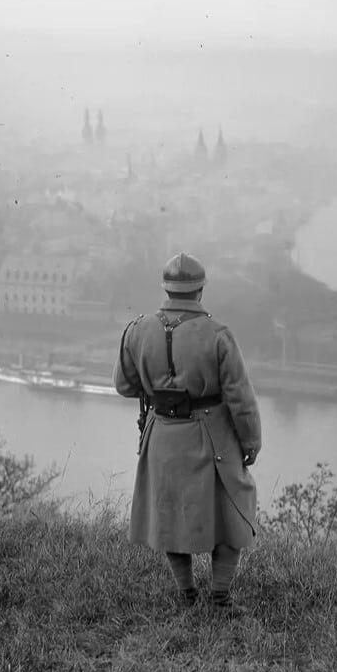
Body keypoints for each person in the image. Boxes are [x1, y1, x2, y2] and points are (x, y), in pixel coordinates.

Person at [114, 252, 261, 612]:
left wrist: (159, 388)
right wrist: (251, 442)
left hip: (161, 435)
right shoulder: (218, 334)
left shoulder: (137, 329)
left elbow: (124, 385)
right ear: (200, 290)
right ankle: (220, 598)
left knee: (169, 514)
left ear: (166, 288)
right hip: (212, 436)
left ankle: (187, 596)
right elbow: (240, 398)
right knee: (231, 511)